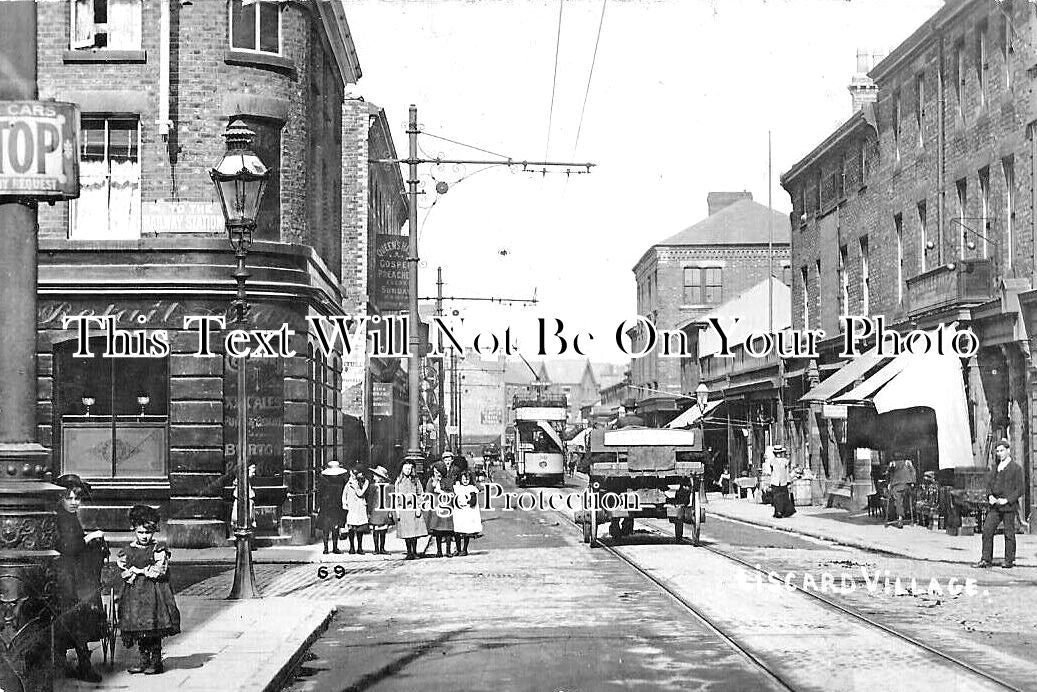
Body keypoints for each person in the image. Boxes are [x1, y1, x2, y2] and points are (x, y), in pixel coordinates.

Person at [53, 474, 108, 683]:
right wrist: (90, 537)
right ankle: (81, 665)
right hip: (65, 574)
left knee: (71, 617)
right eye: (70, 498)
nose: (75, 502)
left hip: (70, 573)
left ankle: (66, 663)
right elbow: (70, 547)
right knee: (74, 615)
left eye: (77, 498)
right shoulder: (62, 517)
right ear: (61, 498)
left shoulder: (67, 516)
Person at [118, 504, 181, 675]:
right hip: (135, 595)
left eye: (148, 532)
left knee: (152, 625)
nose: (144, 536)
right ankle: (143, 659)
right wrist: (128, 573)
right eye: (141, 532)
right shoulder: (128, 550)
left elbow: (160, 570)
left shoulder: (157, 549)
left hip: (153, 594)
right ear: (134, 530)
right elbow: (123, 567)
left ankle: (156, 660)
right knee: (139, 626)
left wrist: (139, 571)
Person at [974, 439, 1025, 569]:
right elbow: (989, 484)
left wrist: (1007, 500)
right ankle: (986, 559)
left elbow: (1020, 489)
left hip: (1008, 506)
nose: (1000, 453)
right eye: (997, 451)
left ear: (1008, 451)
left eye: (1002, 450)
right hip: (995, 506)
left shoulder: (1016, 468)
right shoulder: (995, 468)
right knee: (987, 530)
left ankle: (1009, 560)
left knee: (1009, 533)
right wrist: (990, 495)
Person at [394, 461, 428, 560]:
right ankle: (409, 552)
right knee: (406, 532)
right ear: (402, 469)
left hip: (413, 507)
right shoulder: (399, 481)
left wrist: (418, 506)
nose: (407, 471)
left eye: (409, 469)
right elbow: (396, 495)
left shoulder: (415, 480)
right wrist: (397, 510)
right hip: (404, 508)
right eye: (405, 469)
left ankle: (414, 551)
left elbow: (420, 493)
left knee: (414, 532)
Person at [315, 460, 347, 554]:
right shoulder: (341, 479)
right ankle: (334, 547)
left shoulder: (323, 479)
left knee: (327, 527)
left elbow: (319, 494)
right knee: (334, 527)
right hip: (335, 505)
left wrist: (319, 505)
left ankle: (327, 548)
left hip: (327, 506)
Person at [424, 461, 455, 557]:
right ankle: (439, 551)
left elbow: (451, 493)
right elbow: (428, 492)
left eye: (438, 472)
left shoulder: (447, 480)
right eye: (435, 472)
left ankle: (448, 550)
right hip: (436, 506)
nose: (436, 474)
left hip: (446, 505)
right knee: (438, 530)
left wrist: (441, 491)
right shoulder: (431, 480)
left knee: (448, 529)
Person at [452, 469, 483, 556]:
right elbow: (454, 498)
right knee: (457, 531)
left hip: (467, 512)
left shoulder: (472, 489)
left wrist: (467, 502)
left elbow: (473, 501)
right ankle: (458, 549)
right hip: (459, 512)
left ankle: (464, 549)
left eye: (467, 479)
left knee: (466, 531)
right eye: (463, 479)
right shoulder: (457, 488)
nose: (465, 481)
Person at [343, 465, 370, 554]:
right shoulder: (349, 483)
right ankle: (351, 547)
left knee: (360, 528)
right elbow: (344, 493)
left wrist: (356, 487)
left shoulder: (365, 482)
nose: (351, 477)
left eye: (353, 475)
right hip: (352, 507)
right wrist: (345, 504)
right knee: (351, 527)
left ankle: (360, 547)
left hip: (360, 507)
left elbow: (361, 493)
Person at [367, 465, 394, 555]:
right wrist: (369, 511)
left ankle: (382, 548)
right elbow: (370, 500)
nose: (374, 477)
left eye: (375, 475)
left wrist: (390, 511)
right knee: (375, 530)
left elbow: (390, 499)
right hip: (375, 511)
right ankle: (376, 548)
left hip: (384, 510)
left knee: (383, 530)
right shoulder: (373, 486)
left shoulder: (389, 487)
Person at [886, 457, 916, 529]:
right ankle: (905, 515)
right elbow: (913, 472)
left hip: (897, 486)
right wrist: (913, 482)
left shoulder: (893, 463)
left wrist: (888, 483)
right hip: (906, 486)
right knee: (907, 499)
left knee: (898, 501)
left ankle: (900, 517)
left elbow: (888, 474)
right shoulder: (907, 463)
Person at [770, 446, 796, 518]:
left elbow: (787, 472)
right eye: (777, 453)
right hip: (775, 481)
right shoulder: (772, 461)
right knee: (776, 497)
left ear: (781, 453)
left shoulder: (785, 461)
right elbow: (771, 472)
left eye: (779, 453)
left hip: (783, 481)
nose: (778, 454)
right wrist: (770, 482)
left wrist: (788, 481)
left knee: (784, 497)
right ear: (775, 453)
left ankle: (785, 512)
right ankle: (778, 512)